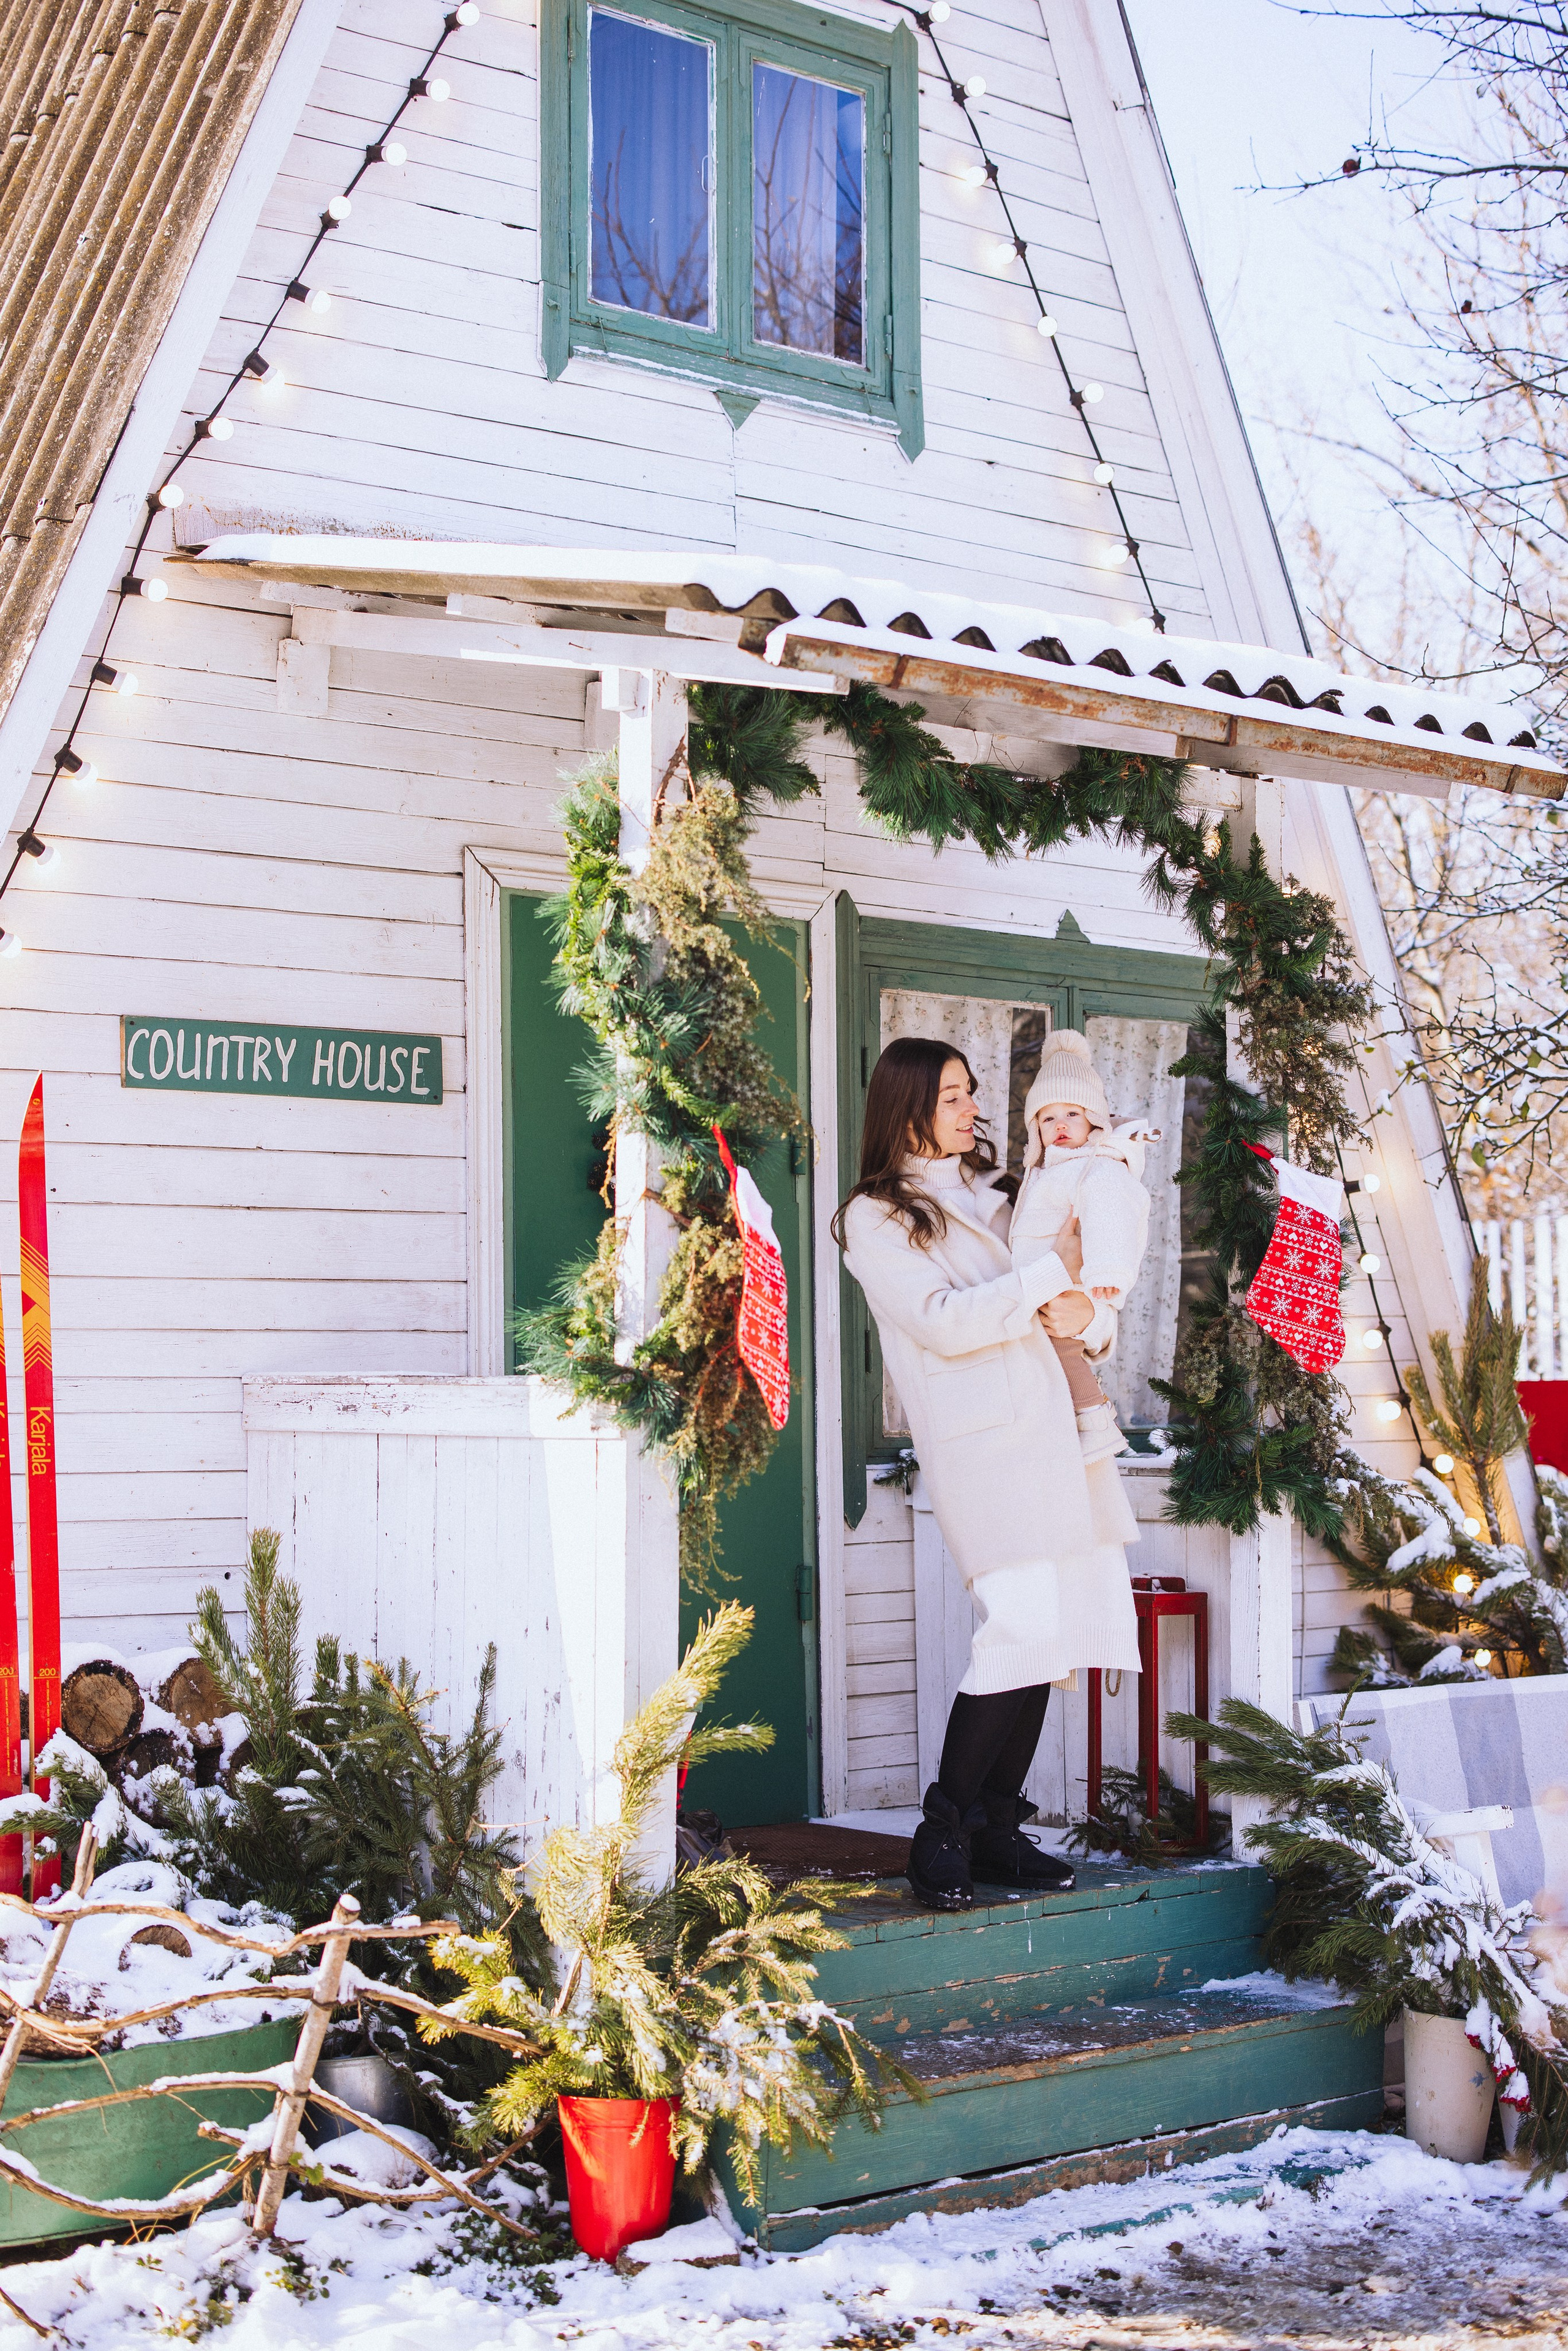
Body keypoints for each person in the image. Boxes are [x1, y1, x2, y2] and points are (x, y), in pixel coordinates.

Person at [833, 1036, 1140, 1912]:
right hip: (989, 1443)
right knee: (1023, 1619)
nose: (976, 1110)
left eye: (973, 1094)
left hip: (1066, 1425)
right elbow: (943, 1322)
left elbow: (1081, 1293)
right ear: (910, 1109)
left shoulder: (1011, 1191)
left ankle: (998, 1828)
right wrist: (1045, 1276)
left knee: (1060, 1630)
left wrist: (1089, 1303)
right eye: (957, 1096)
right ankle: (941, 1829)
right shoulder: (878, 1215)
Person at [1011, 1030, 1155, 1468]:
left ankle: (1095, 1419)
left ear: (1094, 1118)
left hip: (1071, 1285)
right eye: (1048, 1117)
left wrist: (1107, 1272)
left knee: (1062, 1351)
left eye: (1072, 1113)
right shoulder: (1046, 1170)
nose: (1060, 1125)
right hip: (1038, 1287)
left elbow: (1113, 1215)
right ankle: (1082, 1423)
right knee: (1053, 1358)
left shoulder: (1099, 1167)